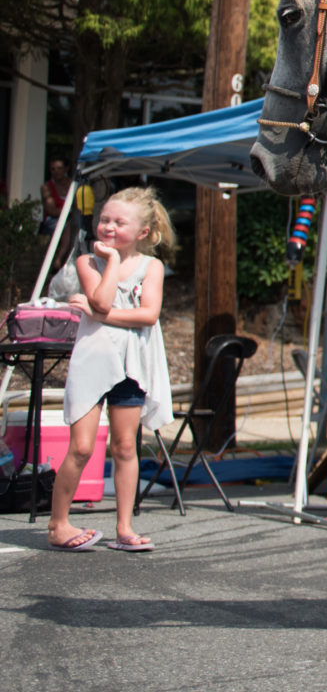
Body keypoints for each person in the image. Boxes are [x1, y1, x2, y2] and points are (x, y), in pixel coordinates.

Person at [47, 187, 175, 552]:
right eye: (104, 219)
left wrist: (98, 314)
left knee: (124, 447)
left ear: (143, 233)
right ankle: (59, 524)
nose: (108, 227)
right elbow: (102, 297)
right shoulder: (88, 262)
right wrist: (113, 264)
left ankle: (124, 527)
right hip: (92, 362)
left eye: (119, 222)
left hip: (131, 367)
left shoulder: (153, 267)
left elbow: (147, 315)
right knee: (82, 448)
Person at [39, 157, 76, 269]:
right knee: (66, 225)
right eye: (53, 169)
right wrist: (69, 211)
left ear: (66, 169)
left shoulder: (73, 184)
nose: (56, 172)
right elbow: (52, 211)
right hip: (53, 220)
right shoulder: (46, 187)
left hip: (70, 217)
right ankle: (58, 259)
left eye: (59, 168)